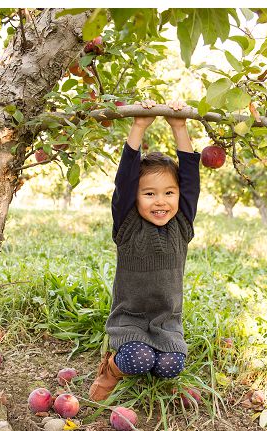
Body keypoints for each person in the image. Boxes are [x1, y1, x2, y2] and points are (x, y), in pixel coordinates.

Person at [90, 100, 200, 401]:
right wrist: (138, 126)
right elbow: (124, 180)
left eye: (168, 193)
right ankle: (113, 369)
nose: (160, 201)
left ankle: (146, 365)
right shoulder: (127, 225)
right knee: (138, 359)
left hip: (167, 323)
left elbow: (191, 180)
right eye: (149, 194)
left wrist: (180, 126)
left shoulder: (181, 225)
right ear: (135, 198)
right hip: (130, 321)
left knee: (170, 365)